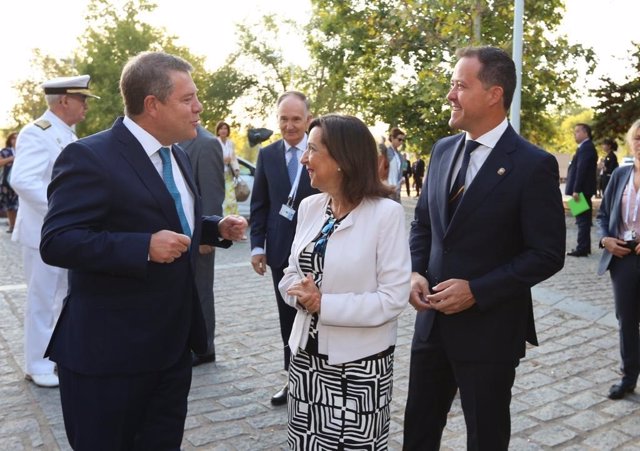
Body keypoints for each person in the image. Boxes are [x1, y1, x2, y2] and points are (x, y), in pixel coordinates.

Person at [39, 51, 247, 449]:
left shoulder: (179, 156)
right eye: (188, 99)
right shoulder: (89, 156)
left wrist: (213, 227)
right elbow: (58, 240)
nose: (199, 107)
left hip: (170, 354)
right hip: (108, 360)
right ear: (152, 104)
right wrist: (142, 248)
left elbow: (168, 220)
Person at [403, 46, 565, 451]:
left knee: (486, 437)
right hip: (431, 325)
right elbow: (423, 223)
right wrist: (415, 270)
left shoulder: (533, 165)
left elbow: (547, 253)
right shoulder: (442, 151)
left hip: (490, 331)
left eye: (460, 85)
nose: (449, 94)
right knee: (419, 429)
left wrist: (477, 289)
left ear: (494, 94)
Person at [279, 114, 410, 449]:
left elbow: (393, 298)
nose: (304, 159)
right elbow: (291, 272)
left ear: (341, 159)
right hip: (306, 360)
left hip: (360, 368)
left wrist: (325, 304)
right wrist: (299, 294)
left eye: (312, 150)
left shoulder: (386, 215)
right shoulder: (310, 207)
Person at [10, 75, 97, 388]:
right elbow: (22, 180)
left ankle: (56, 356)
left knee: (61, 297)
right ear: (64, 101)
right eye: (82, 99)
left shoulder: (65, 133)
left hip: (62, 233)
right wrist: (62, 211)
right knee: (43, 299)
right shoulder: (38, 132)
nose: (85, 105)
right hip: (42, 233)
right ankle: (37, 365)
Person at [249, 91, 319, 406]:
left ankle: (318, 379)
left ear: (307, 119)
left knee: (319, 315)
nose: (290, 126)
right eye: (283, 119)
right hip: (280, 250)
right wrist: (256, 247)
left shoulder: (322, 150)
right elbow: (260, 204)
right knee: (288, 318)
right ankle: (292, 380)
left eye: (295, 119)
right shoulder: (267, 154)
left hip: (319, 248)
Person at [597, 119, 640, 400]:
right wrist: (605, 239)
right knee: (626, 320)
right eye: (638, 138)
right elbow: (603, 216)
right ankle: (628, 377)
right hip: (622, 256)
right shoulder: (620, 174)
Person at [179, 124, 226, 366]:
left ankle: (204, 348)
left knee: (201, 290)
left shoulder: (206, 143)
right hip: (178, 236)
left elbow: (212, 191)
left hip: (199, 236)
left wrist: (207, 237)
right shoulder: (173, 140)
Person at [565, 123, 598, 257]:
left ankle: (582, 248)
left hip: (582, 191)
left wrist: (576, 190)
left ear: (585, 133)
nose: (575, 134)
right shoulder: (585, 147)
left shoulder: (586, 147)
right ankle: (585, 247)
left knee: (582, 221)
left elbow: (581, 169)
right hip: (582, 190)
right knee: (582, 220)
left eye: (577, 131)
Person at [216, 120, 241, 215]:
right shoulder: (214, 142)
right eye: (221, 128)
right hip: (218, 175)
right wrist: (222, 160)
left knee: (231, 200)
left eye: (225, 128)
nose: (223, 130)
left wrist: (237, 169)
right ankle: (221, 220)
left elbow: (234, 158)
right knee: (222, 200)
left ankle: (232, 219)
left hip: (229, 174)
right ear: (218, 131)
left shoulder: (230, 143)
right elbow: (212, 158)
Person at [0, 132, 18, 233]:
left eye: (17, 138)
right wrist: (11, 158)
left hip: (20, 181)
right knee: (9, 205)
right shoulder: (5, 151)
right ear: (10, 140)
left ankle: (18, 227)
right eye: (13, 138)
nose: (15, 140)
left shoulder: (24, 149)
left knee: (18, 205)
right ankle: (12, 226)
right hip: (6, 182)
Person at [386, 127, 405, 202]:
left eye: (403, 140)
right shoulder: (386, 152)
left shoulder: (399, 155)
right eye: (399, 139)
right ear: (392, 138)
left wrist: (401, 179)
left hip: (396, 188)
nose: (401, 142)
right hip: (388, 188)